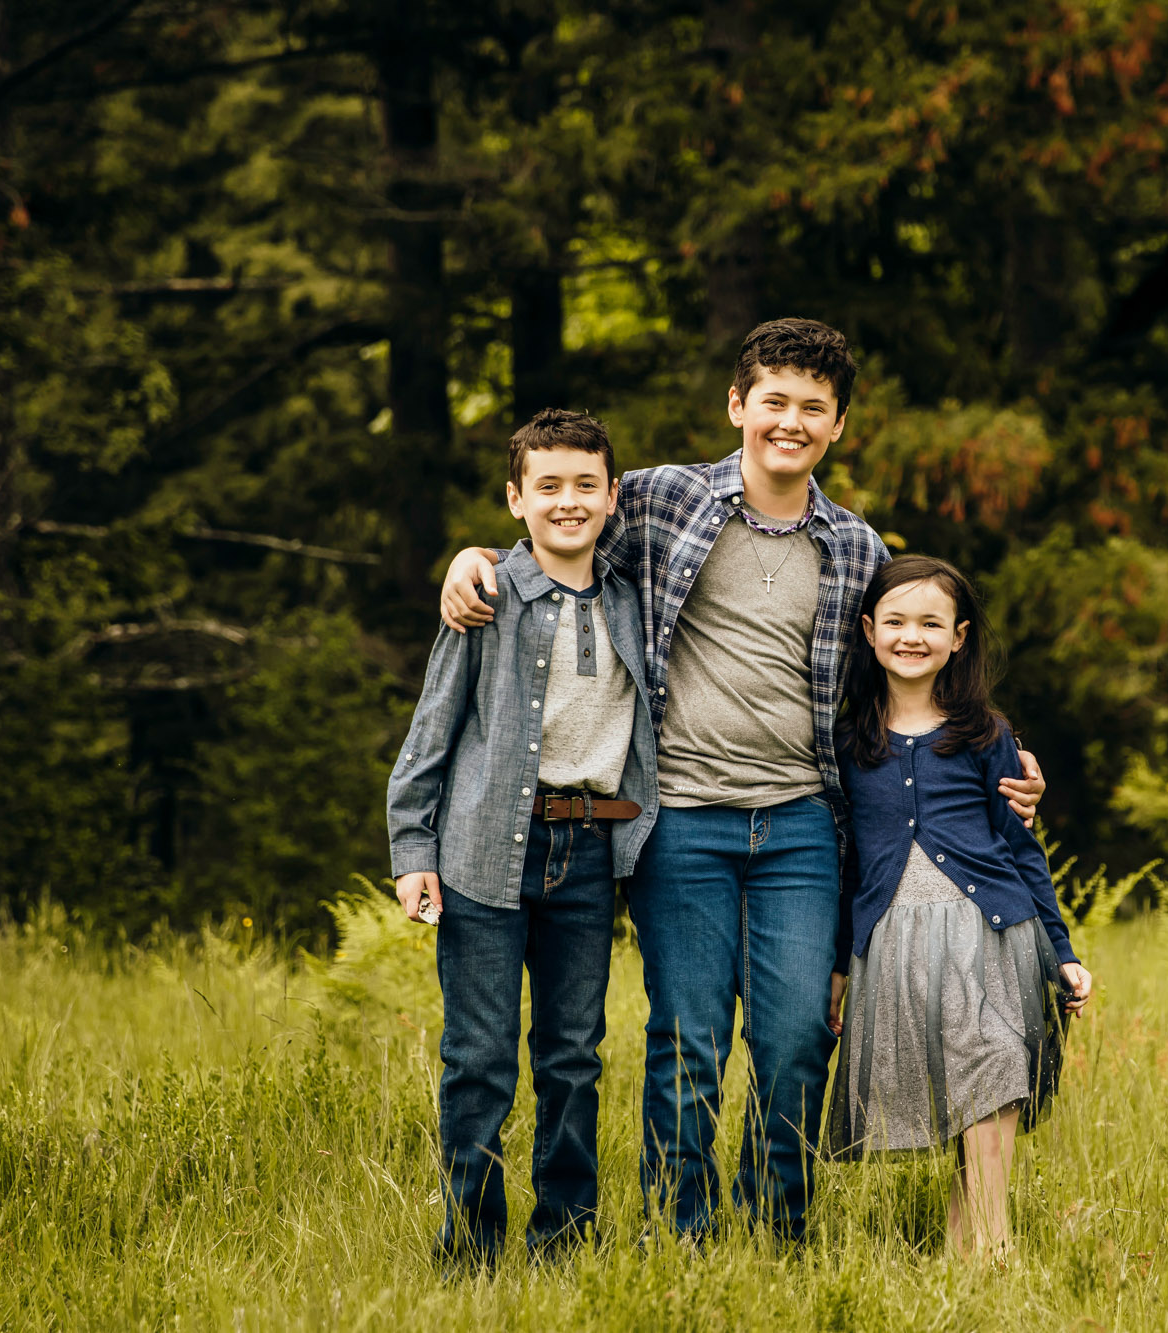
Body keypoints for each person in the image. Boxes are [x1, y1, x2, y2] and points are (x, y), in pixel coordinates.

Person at [435, 318, 1046, 1246]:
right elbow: (556, 521)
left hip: (801, 822)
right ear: (738, 405)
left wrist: (993, 753)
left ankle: (779, 1237)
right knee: (687, 1042)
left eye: (813, 408)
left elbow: (907, 666)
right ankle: (684, 1237)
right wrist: (471, 559)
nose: (790, 422)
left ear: (838, 424)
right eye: (774, 401)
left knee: (797, 1040)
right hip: (680, 817)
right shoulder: (664, 499)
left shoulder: (855, 545)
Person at [386, 408, 658, 1267]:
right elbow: (432, 731)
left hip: (587, 859)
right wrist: (413, 849)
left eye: (586, 485)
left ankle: (564, 1241)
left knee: (574, 1056)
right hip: (480, 857)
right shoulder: (485, 598)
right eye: (549, 486)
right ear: (515, 497)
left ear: (613, 496)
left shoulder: (633, 600)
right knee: (479, 1057)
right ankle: (469, 1245)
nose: (568, 502)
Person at [824, 555, 1092, 1266]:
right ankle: (961, 1246)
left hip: (991, 931)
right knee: (959, 1088)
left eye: (931, 623)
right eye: (898, 622)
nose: (913, 636)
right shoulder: (849, 742)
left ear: (959, 636)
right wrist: (839, 966)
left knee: (996, 1066)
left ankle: (994, 1245)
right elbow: (849, 866)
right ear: (869, 630)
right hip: (898, 938)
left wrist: (1062, 950)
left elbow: (1020, 845)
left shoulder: (984, 733)